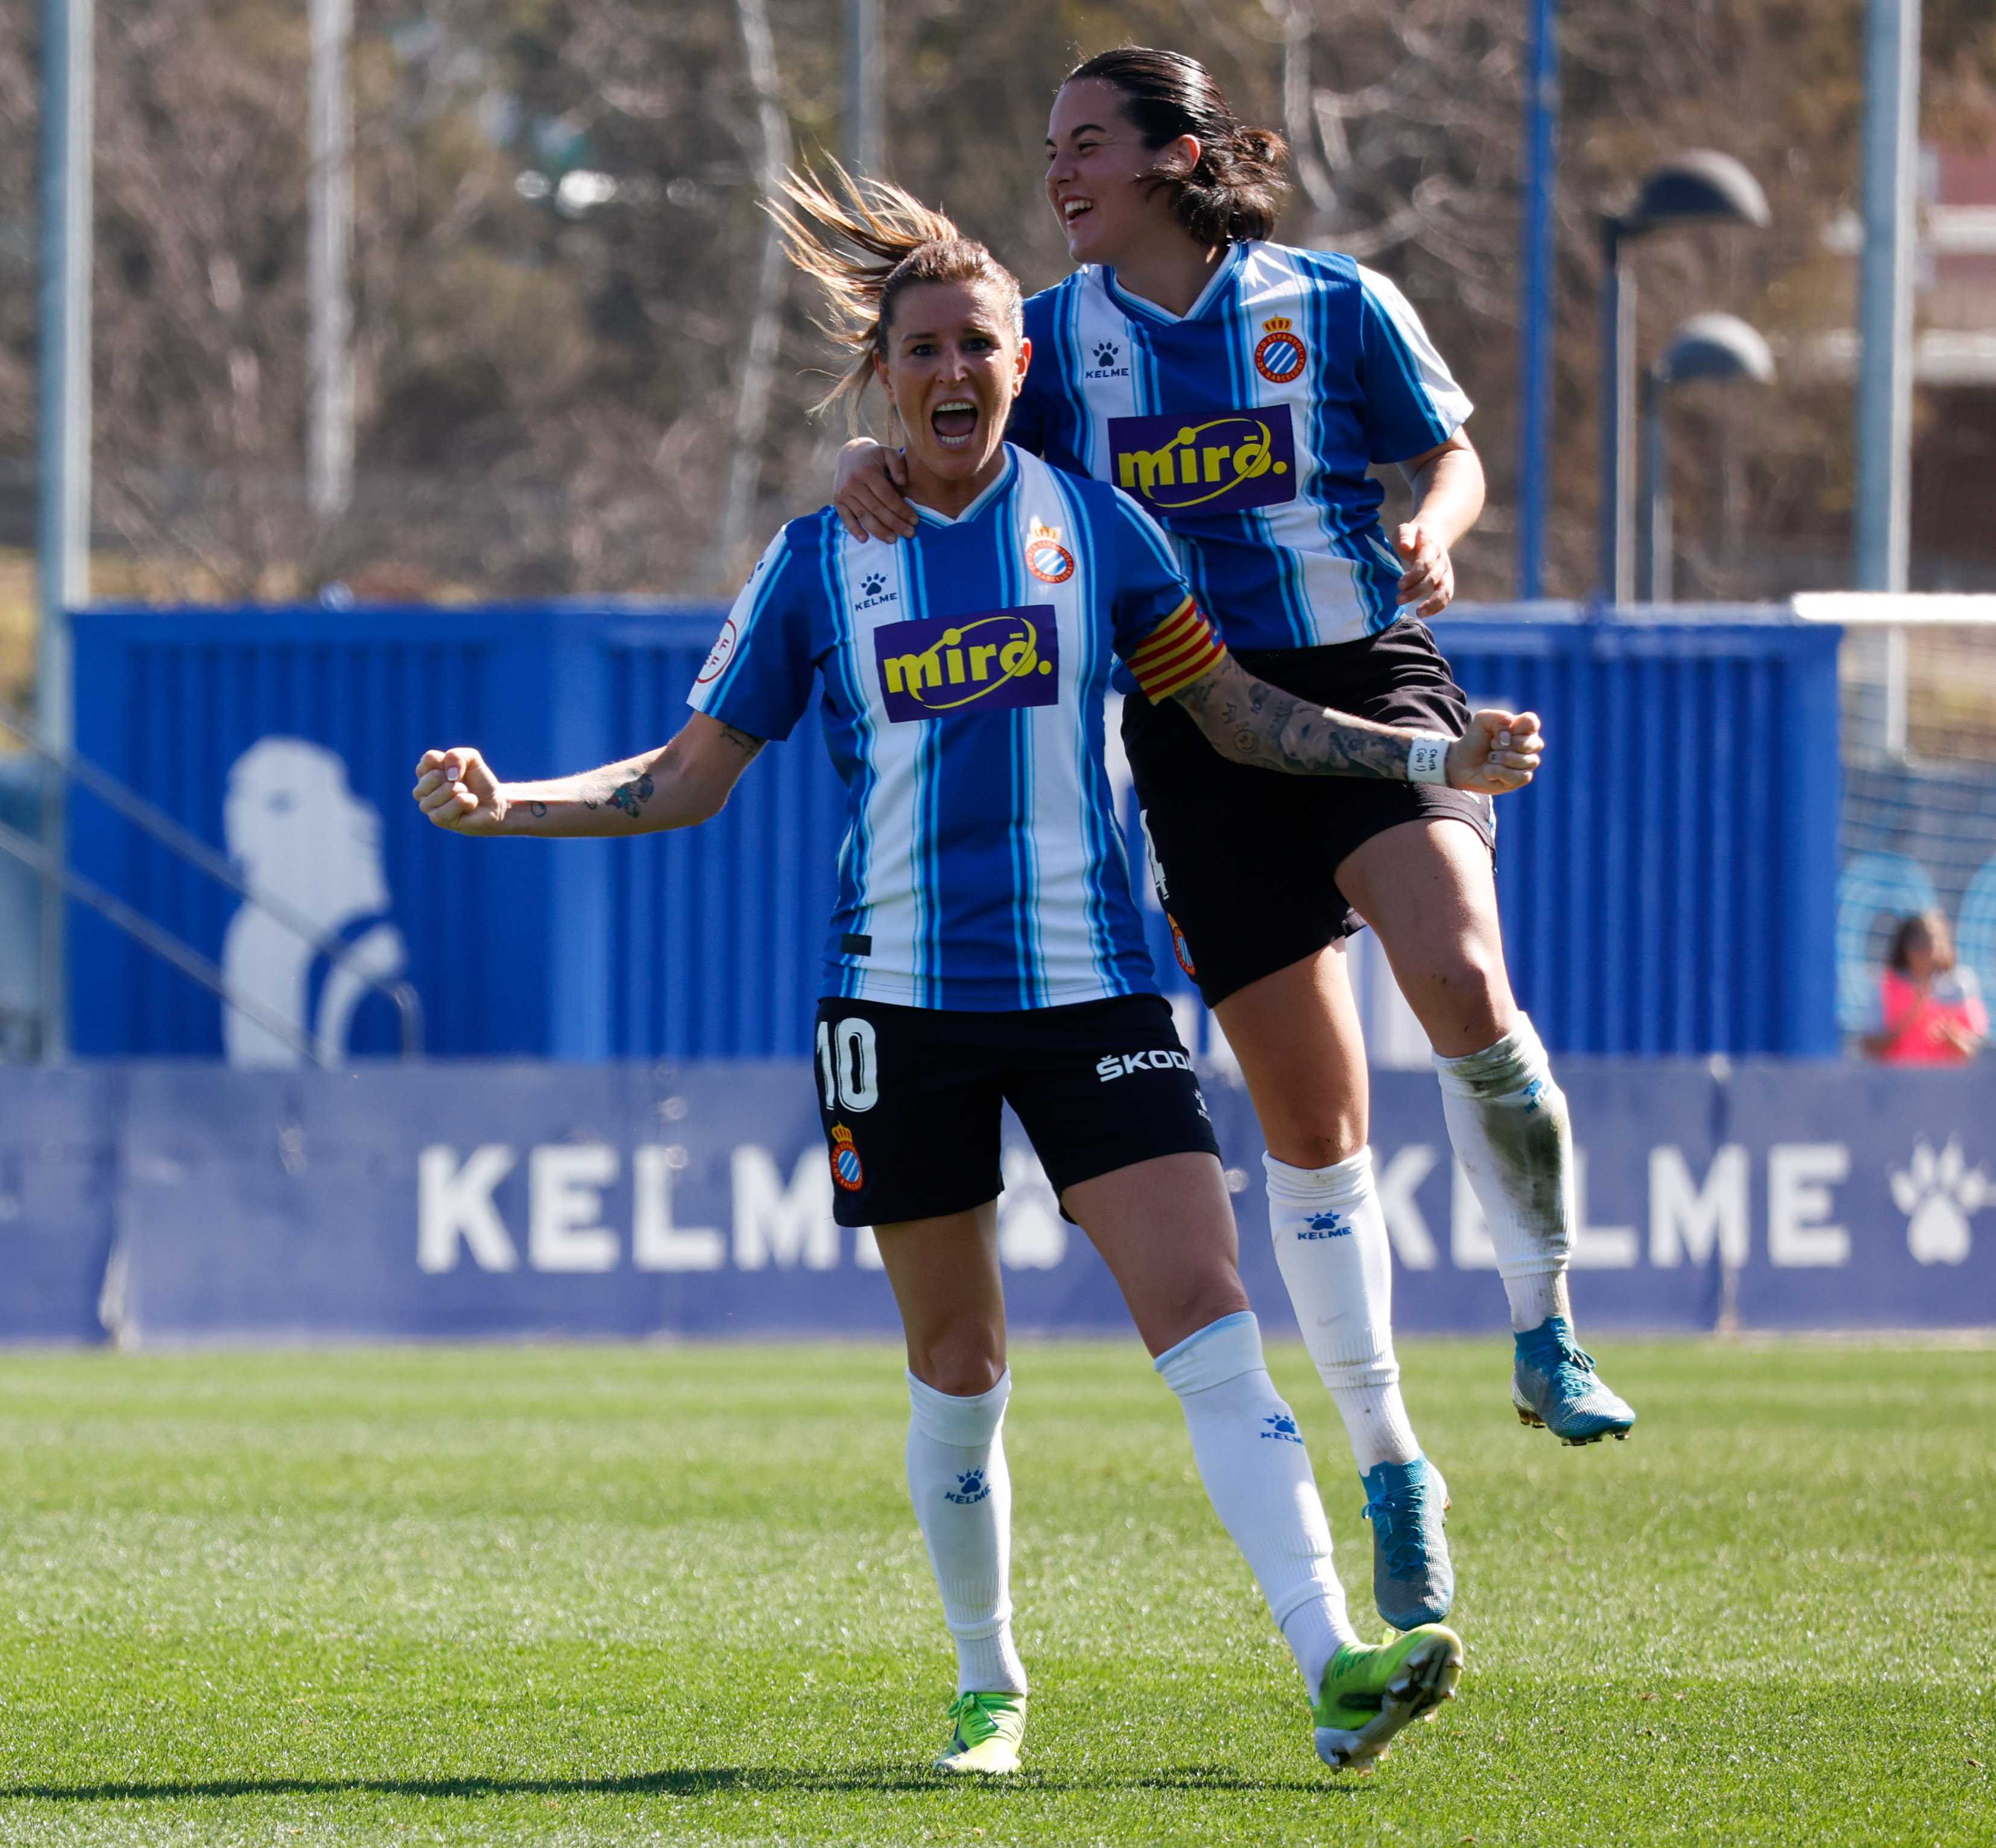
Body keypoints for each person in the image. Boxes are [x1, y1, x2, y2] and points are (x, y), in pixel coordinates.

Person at [416, 166, 1544, 1776]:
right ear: (882, 379)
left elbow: (1237, 717)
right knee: (959, 1363)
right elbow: (683, 777)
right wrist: (506, 804)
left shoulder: (1101, 528)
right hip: (897, 1013)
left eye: (977, 346)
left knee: (1209, 1313)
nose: (952, 371)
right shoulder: (820, 560)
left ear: (1024, 366)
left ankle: (1333, 1658)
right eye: (922, 349)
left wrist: (1429, 754)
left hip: (1094, 998)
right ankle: (986, 1682)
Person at [830, 45, 1637, 1637]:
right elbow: (948, 433)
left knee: (1460, 977)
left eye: (1085, 143)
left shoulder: (1330, 303)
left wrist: (1435, 526)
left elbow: (1450, 451)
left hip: (1363, 679)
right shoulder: (1047, 339)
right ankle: (1390, 1458)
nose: (1058, 172)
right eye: (1048, 146)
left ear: (1176, 158)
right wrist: (868, 460)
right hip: (1197, 737)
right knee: (1311, 1125)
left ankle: (1544, 1322)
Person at [1871, 912, 1986, 1065]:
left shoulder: (1961, 983)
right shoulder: (1886, 985)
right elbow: (1870, 1049)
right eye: (1917, 944)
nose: (1925, 951)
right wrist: (1908, 1019)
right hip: (1899, 1077)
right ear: (1905, 948)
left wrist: (1954, 1037)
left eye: (1931, 943)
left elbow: (1975, 1049)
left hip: (1948, 1078)